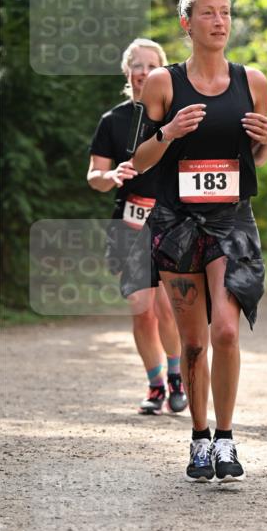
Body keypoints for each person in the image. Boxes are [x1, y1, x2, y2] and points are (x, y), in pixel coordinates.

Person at [128, 0, 267, 483]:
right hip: (176, 224)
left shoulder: (252, 82)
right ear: (186, 24)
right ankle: (199, 438)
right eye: (208, 13)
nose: (219, 21)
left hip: (232, 220)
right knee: (193, 344)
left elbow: (258, 158)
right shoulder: (162, 84)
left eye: (225, 12)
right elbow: (139, 160)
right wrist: (169, 132)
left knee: (226, 330)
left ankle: (227, 437)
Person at [87, 38, 187, 416]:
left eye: (152, 65)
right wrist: (111, 175)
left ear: (163, 70)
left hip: (170, 223)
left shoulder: (176, 117)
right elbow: (94, 176)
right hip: (129, 223)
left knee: (167, 309)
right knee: (141, 309)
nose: (144, 72)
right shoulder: (113, 120)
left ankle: (177, 377)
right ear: (127, 71)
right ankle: (156, 384)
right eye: (137, 65)